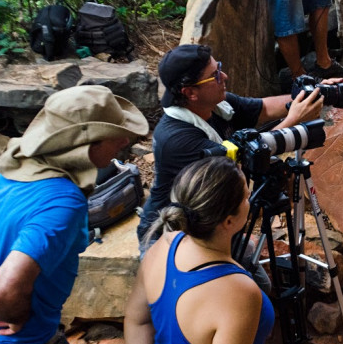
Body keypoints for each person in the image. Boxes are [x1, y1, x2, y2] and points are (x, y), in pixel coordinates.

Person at [0, 85, 149, 344]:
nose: (125, 141)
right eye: (116, 135)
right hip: (15, 342)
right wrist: (16, 315)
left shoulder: (17, 160)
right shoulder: (63, 202)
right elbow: (3, 290)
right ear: (88, 145)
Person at [136, 43, 324, 251]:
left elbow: (264, 108)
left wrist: (314, 94)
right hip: (172, 237)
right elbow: (248, 156)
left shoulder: (214, 105)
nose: (224, 76)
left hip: (211, 222)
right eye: (215, 75)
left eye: (220, 68)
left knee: (254, 271)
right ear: (190, 93)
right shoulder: (176, 139)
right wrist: (295, 118)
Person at [124, 157, 274, 344]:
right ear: (229, 221)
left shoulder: (165, 244)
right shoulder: (239, 292)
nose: (250, 200)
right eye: (246, 197)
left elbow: (137, 322)